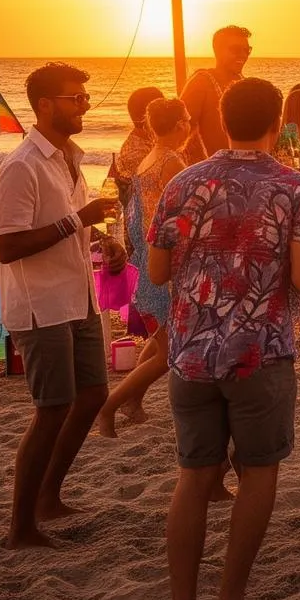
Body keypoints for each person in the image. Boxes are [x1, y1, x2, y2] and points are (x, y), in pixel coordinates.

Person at [147, 76, 300, 600]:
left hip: (191, 352)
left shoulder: (183, 182)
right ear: (278, 124)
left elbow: (156, 271)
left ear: (222, 121)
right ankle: (229, 597)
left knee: (193, 476)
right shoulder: (296, 189)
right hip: (260, 350)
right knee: (258, 472)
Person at [0, 61, 118, 549]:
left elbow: (75, 222)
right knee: (52, 408)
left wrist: (102, 238)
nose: (84, 105)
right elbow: (6, 246)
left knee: (91, 396)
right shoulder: (22, 165)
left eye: (86, 98)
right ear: (44, 105)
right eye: (75, 98)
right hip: (40, 303)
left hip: (77, 293)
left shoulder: (69, 156)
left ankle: (49, 494)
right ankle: (20, 527)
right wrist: (76, 222)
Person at [99, 97, 193, 437]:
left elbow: (138, 218)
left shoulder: (147, 159)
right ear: (180, 124)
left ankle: (132, 401)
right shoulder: (171, 162)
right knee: (167, 351)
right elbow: (185, 219)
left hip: (145, 258)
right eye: (188, 119)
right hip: (162, 264)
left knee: (156, 342)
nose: (190, 125)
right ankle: (109, 407)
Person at [180, 26, 252, 160]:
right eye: (235, 49)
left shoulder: (245, 84)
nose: (243, 55)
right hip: (212, 173)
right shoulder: (202, 82)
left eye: (247, 50)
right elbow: (178, 134)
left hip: (243, 170)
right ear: (217, 51)